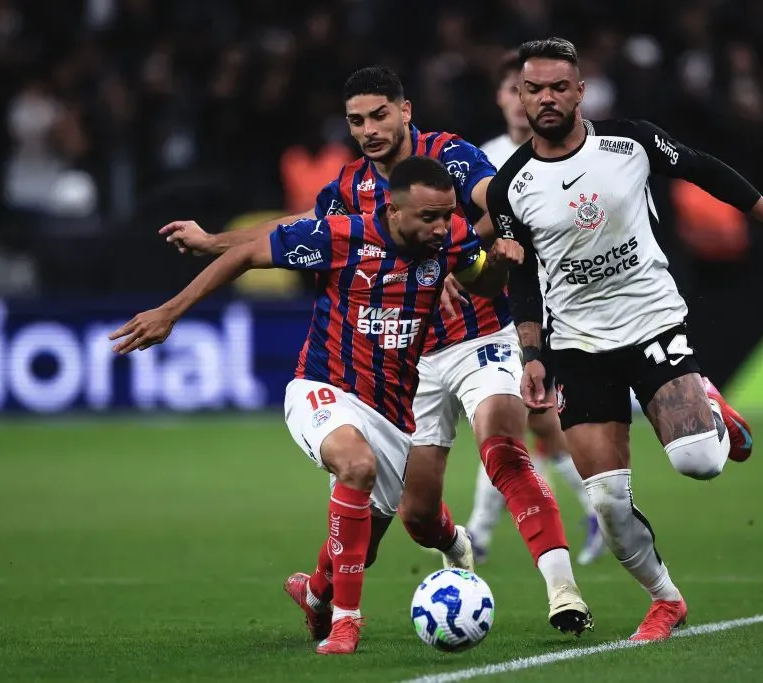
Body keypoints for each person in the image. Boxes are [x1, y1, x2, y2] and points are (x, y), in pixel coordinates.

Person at [160, 66, 593, 639]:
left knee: (503, 446)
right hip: (409, 365)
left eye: (380, 115)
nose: (369, 130)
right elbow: (301, 229)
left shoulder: (451, 158)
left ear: (405, 111)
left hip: (478, 334)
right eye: (357, 121)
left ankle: (563, 592)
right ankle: (322, 588)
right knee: (405, 516)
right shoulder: (348, 189)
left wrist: (460, 249)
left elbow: (499, 205)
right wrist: (217, 240)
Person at [488, 37, 763, 642]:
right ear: (521, 96)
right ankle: (666, 600)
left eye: (557, 87)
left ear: (579, 91)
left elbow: (706, 171)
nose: (545, 98)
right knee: (605, 502)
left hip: (651, 323)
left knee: (699, 462)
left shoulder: (631, 141)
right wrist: (532, 355)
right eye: (534, 88)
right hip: (576, 345)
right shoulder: (508, 189)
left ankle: (708, 403)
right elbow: (521, 278)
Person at [111, 156, 523, 655]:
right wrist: (169, 312)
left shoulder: (452, 235)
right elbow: (247, 256)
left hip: (392, 411)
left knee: (362, 547)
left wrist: (496, 261)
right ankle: (347, 624)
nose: (442, 227)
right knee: (355, 464)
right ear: (394, 210)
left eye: (447, 215)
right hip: (322, 386)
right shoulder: (339, 236)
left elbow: (479, 278)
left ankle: (316, 593)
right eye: (429, 218)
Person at [467, 51, 605, 567]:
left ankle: (481, 532)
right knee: (519, 425)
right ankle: (593, 509)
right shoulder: (484, 160)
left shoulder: (568, 149)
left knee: (524, 425)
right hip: (499, 305)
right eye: (511, 91)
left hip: (559, 304)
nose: (522, 101)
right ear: (508, 97)